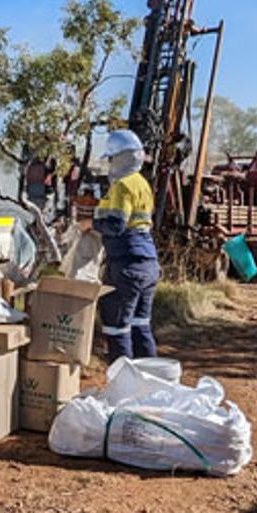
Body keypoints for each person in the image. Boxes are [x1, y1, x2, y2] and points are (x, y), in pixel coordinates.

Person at [93, 128, 159, 361]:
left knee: (117, 328)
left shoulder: (121, 186)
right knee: (141, 325)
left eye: (111, 158)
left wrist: (90, 224)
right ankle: (153, 384)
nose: (110, 164)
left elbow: (116, 225)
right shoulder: (142, 183)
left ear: (120, 157)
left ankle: (123, 390)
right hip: (148, 263)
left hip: (127, 263)